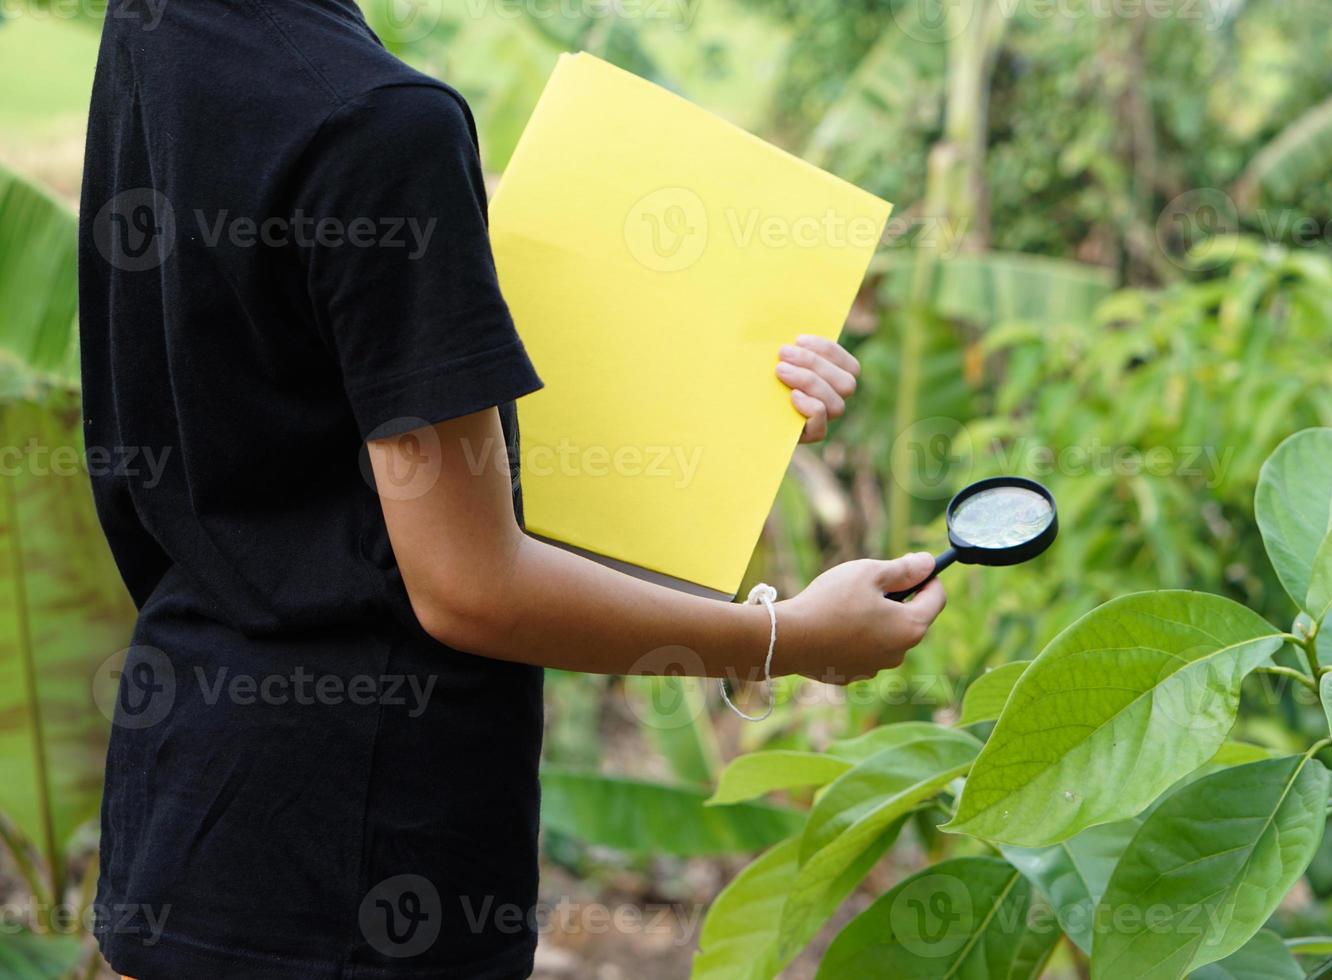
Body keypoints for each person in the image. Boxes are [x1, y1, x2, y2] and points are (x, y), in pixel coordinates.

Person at [79, 1, 946, 977]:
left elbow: (316, 376)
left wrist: (729, 398)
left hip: (187, 823)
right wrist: (787, 639)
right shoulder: (381, 123)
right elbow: (468, 583)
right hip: (363, 862)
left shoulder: (166, 28)